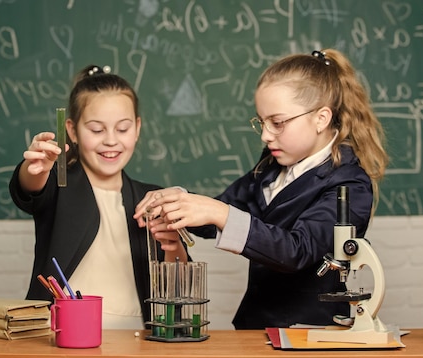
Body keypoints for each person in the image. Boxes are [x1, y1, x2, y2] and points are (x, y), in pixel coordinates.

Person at [134, 49, 389, 329]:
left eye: (278, 123)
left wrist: (219, 212)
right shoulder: (270, 165)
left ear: (321, 118)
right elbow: (217, 215)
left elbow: (297, 250)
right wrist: (177, 201)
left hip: (311, 334)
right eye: (262, 122)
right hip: (255, 329)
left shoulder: (349, 184)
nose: (266, 135)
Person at [9, 64, 188, 329]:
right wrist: (34, 168)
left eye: (123, 129)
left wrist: (174, 246)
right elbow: (29, 188)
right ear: (72, 130)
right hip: (60, 337)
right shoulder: (59, 187)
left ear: (137, 128)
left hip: (136, 337)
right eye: (96, 130)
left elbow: (178, 282)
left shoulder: (148, 198)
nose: (111, 141)